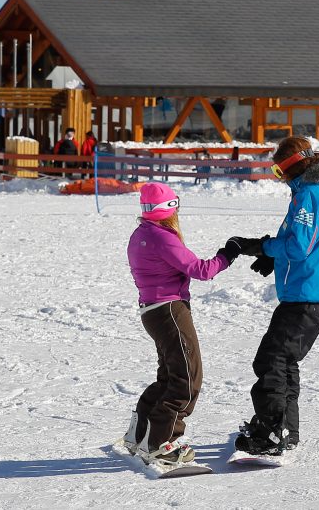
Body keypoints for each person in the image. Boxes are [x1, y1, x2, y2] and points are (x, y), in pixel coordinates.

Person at [120, 182, 253, 465]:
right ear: (169, 209)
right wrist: (228, 253)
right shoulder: (162, 237)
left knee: (168, 376)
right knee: (187, 379)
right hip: (170, 311)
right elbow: (200, 270)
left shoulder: (140, 233)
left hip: (152, 311)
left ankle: (140, 433)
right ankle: (160, 443)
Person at [234, 136, 319, 456]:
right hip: (308, 289)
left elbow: (299, 246)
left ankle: (271, 432)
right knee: (284, 361)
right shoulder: (318, 189)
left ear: (291, 168)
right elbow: (302, 241)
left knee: (272, 359)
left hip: (307, 292)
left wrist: (264, 246)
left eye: (279, 172)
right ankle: (285, 430)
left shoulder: (309, 194)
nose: (280, 180)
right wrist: (274, 255)